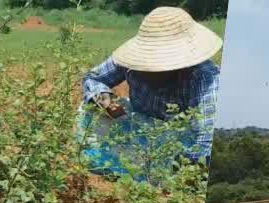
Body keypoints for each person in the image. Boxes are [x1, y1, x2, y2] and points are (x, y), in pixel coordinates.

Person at [78, 6, 221, 178]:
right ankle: (122, 170)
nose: (148, 69)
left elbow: (207, 141)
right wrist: (106, 101)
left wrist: (185, 168)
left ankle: (147, 177)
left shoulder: (206, 78)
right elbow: (94, 78)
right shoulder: (130, 60)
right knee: (91, 111)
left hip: (179, 144)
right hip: (139, 128)